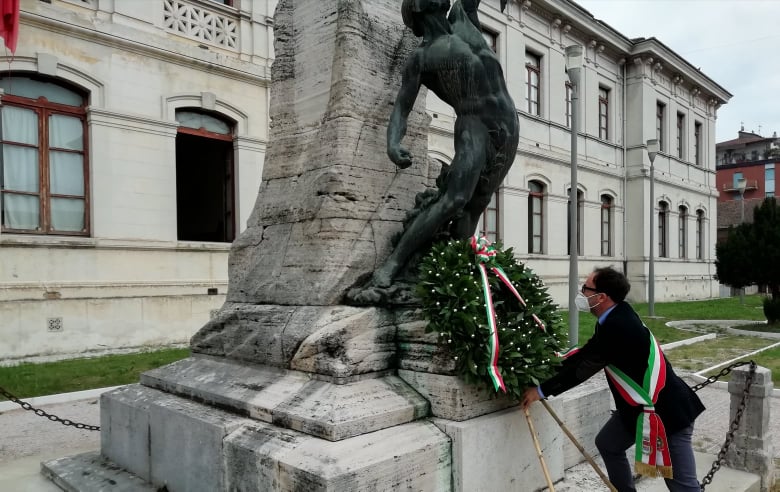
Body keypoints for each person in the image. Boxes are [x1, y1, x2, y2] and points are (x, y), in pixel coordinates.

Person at [372, 0, 519, 288]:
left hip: (508, 126)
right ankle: (393, 265)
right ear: (417, 8)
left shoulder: (463, 21)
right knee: (455, 199)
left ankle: (454, 272)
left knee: (478, 202)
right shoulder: (421, 58)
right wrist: (393, 142)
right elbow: (402, 107)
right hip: (474, 124)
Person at [521, 267, 705, 492]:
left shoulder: (618, 326)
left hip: (668, 413)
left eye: (586, 288)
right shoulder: (615, 315)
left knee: (682, 486)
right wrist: (544, 371)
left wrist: (540, 391)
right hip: (636, 410)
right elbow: (586, 354)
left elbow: (582, 368)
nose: (582, 293)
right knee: (608, 443)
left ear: (601, 297)